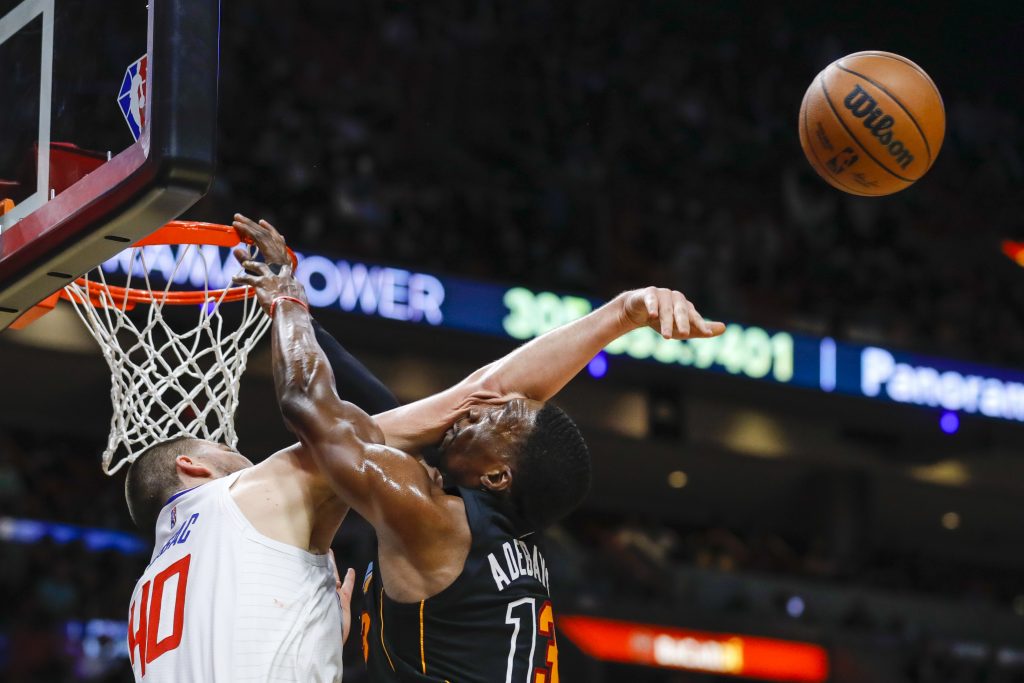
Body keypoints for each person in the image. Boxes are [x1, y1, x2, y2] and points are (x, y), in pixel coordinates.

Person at [231, 218, 725, 682]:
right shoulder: (495, 532)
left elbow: (311, 413)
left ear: (495, 476)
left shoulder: (435, 520)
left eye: (493, 420)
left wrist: (287, 301)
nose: (475, 410)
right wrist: (623, 312)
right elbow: (415, 405)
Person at [124, 215, 393, 682]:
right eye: (218, 443)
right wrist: (290, 305)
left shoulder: (149, 587)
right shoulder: (232, 506)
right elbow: (364, 429)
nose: (232, 446)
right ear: (193, 467)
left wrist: (313, 634)